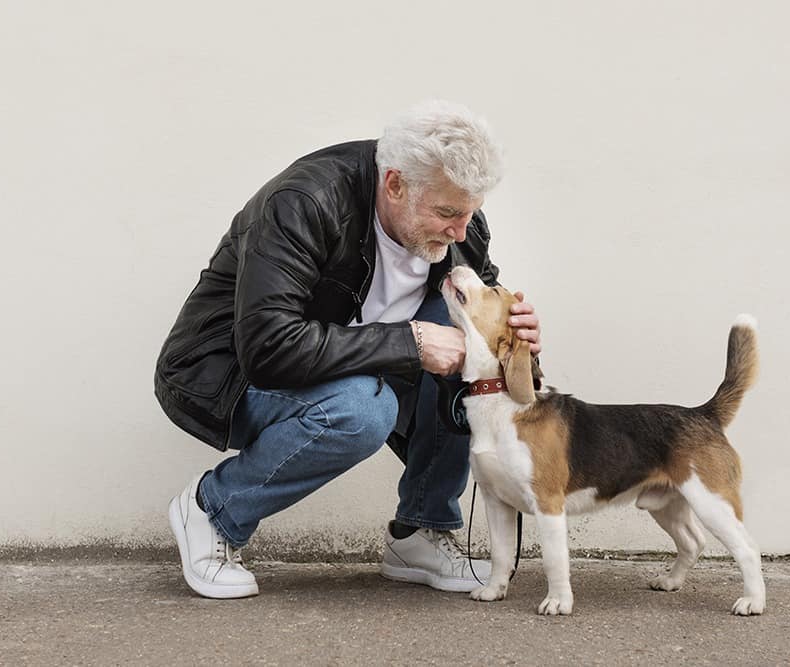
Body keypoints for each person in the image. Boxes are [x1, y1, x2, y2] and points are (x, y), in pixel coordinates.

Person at [155, 100, 542, 599]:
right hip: (230, 375)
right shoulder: (305, 202)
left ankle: (419, 533)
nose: (461, 231)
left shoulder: (460, 231)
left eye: (471, 213)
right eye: (447, 212)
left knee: (464, 337)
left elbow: (491, 356)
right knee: (364, 409)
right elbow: (269, 348)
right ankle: (213, 510)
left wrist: (520, 348)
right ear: (395, 184)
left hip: (352, 368)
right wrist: (412, 341)